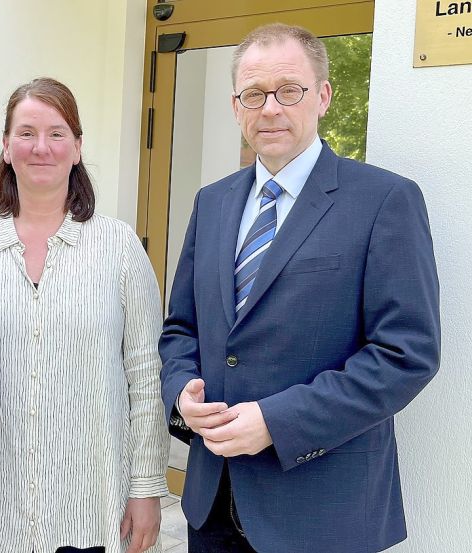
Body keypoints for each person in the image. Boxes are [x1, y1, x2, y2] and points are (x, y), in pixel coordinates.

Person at [160, 23, 440, 553]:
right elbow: (181, 329)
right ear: (236, 105)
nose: (270, 108)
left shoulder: (384, 201)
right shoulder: (213, 202)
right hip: (211, 506)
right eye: (254, 94)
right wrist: (182, 394)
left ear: (324, 97)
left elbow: (407, 354)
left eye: (289, 90)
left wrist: (276, 422)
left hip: (322, 514)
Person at [0, 77, 170, 553]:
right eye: (26, 133)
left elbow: (145, 374)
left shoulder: (119, 246)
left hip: (91, 506)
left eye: (57, 134)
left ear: (77, 148)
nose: (41, 147)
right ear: (6, 147)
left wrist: (147, 486)